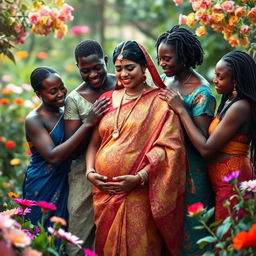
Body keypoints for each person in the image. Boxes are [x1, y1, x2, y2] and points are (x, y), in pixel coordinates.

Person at [85, 40, 187, 256]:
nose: (123, 74)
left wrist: (139, 177)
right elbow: (95, 143)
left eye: (130, 67)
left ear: (145, 68)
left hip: (138, 194)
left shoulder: (160, 102)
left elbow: (170, 151)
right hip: (104, 195)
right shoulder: (106, 99)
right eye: (119, 68)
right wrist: (89, 172)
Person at [161, 50, 255, 221]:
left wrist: (182, 110)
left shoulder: (240, 107)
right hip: (221, 182)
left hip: (232, 182)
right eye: (216, 75)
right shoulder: (230, 100)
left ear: (236, 81)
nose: (215, 80)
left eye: (220, 77)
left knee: (229, 241)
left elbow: (206, 149)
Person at [23, 66, 109, 231]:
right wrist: (88, 123)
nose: (61, 93)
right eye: (53, 91)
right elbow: (53, 157)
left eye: (62, 87)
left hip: (67, 178)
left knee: (66, 232)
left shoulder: (67, 110)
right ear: (39, 95)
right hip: (43, 182)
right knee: (40, 233)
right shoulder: (34, 120)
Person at [156, 25, 216, 255]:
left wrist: (181, 109)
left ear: (184, 57)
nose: (162, 64)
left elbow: (202, 144)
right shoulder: (165, 80)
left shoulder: (202, 92)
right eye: (160, 58)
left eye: (167, 59)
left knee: (193, 232)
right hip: (167, 168)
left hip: (192, 173)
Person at [64, 40, 116, 255]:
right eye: (85, 71)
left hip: (118, 172)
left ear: (105, 61)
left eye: (97, 68)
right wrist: (91, 121)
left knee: (114, 231)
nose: (93, 75)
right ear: (78, 68)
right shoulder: (74, 99)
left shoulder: (121, 84)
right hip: (84, 174)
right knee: (79, 230)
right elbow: (72, 148)